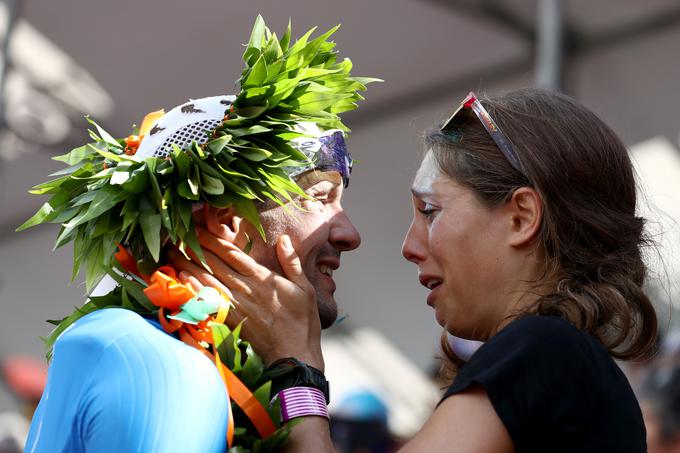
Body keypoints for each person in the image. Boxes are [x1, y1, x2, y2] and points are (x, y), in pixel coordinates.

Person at [181, 88, 658, 452]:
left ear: (521, 217)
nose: (408, 247)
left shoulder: (543, 351)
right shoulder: (562, 361)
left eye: (430, 211)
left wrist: (297, 367)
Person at [20, 16, 377, 452]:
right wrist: (301, 374)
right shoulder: (158, 364)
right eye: (320, 198)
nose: (349, 233)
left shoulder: (173, 359)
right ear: (227, 222)